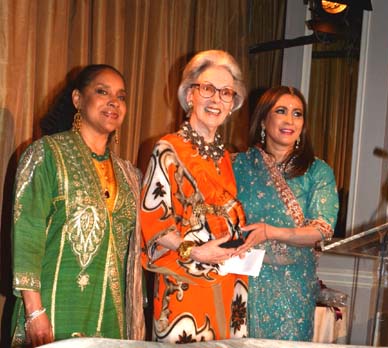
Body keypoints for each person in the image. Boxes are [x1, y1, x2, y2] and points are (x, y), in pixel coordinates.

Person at [10, 64, 145, 347]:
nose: (114, 102)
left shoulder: (129, 174)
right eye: (102, 91)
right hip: (55, 309)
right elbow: (27, 232)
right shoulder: (47, 154)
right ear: (77, 100)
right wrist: (34, 311)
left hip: (111, 314)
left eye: (121, 96)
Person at [140, 50, 248, 343]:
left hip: (230, 283)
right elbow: (154, 225)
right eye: (207, 89)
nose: (216, 99)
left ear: (233, 104)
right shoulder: (167, 150)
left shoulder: (225, 158)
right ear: (189, 95)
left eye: (226, 92)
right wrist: (196, 251)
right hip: (184, 285)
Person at [233, 86, 339, 341]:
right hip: (242, 279)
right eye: (281, 111)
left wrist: (270, 232)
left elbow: (321, 230)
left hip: (293, 286)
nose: (290, 120)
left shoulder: (317, 171)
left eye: (297, 114)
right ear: (263, 119)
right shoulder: (238, 164)